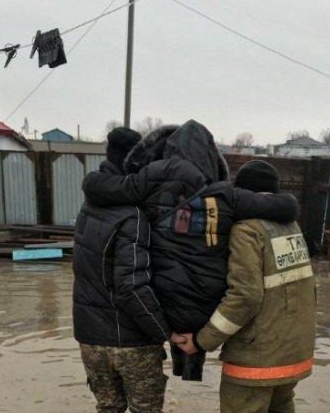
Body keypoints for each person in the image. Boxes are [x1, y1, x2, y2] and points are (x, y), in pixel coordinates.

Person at [82, 120, 300, 385]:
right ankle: (192, 368)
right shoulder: (226, 196)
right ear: (212, 159)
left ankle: (181, 364)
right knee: (199, 332)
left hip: (165, 304)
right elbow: (287, 207)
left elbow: (97, 186)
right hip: (205, 308)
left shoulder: (147, 181)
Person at [178, 160, 316, 413]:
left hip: (257, 356)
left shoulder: (247, 229)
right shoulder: (290, 226)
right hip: (293, 353)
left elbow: (245, 296)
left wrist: (202, 341)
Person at [73, 126, 182, 413]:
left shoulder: (88, 207)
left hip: (90, 337)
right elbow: (132, 287)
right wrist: (166, 331)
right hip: (131, 340)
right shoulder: (133, 216)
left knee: (107, 406)